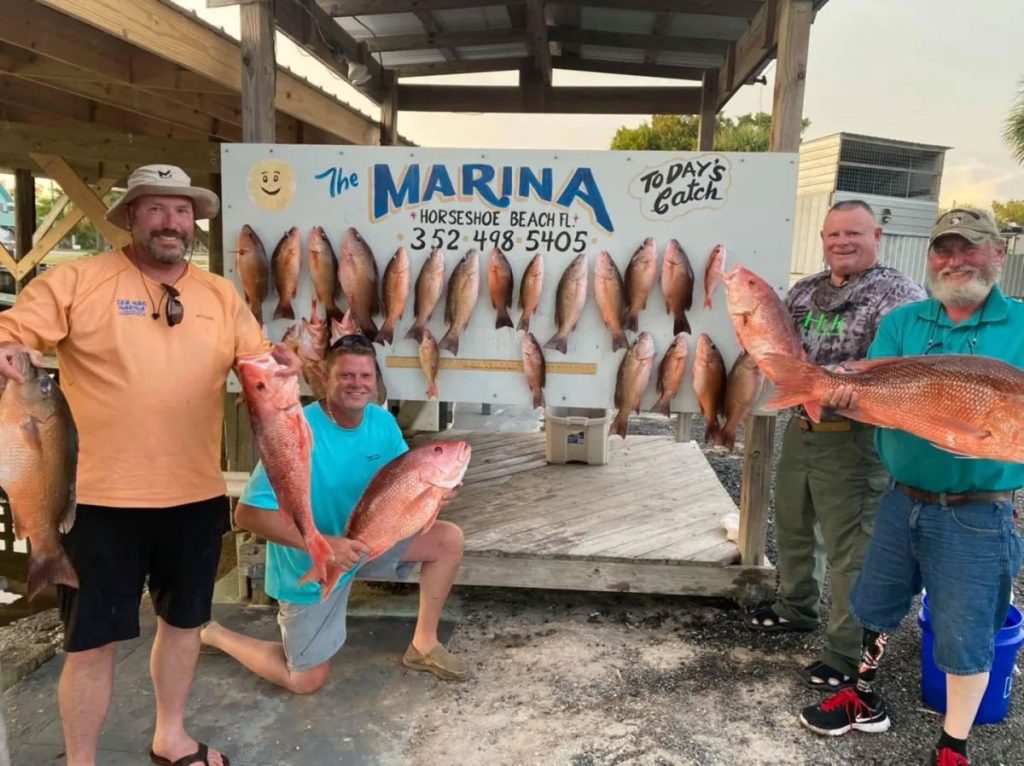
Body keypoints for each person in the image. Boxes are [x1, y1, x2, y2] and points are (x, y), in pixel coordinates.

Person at [0, 165, 299, 766]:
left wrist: (282, 361)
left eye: (182, 211)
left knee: (185, 625)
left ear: (195, 222)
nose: (172, 222)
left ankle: (172, 736)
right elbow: (15, 331)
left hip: (193, 493)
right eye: (157, 209)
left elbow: (257, 359)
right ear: (131, 216)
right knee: (92, 643)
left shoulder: (220, 293)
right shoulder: (79, 280)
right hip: (97, 501)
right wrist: (10, 349)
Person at [799, 208, 1024, 765]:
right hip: (901, 498)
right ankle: (863, 697)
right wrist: (843, 392)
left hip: (977, 512)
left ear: (998, 253)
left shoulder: (1019, 326)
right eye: (943, 250)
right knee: (874, 606)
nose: (954, 261)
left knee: (965, 631)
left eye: (969, 248)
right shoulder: (906, 321)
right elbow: (877, 394)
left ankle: (954, 745)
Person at [200, 334, 471, 692]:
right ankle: (215, 634)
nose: (357, 384)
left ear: (376, 382)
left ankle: (424, 645)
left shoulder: (382, 422)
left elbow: (399, 487)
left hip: (364, 543)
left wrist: (432, 498)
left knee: (447, 539)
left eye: (365, 376)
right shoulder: (296, 428)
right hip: (309, 560)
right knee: (306, 681)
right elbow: (246, 516)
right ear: (325, 379)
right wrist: (326, 546)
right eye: (346, 376)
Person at [747, 200, 926, 692]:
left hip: (856, 438)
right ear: (822, 240)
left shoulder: (899, 293)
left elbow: (901, 368)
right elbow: (775, 343)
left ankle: (846, 653)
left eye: (854, 233)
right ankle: (796, 607)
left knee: (852, 549)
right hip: (801, 431)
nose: (842, 242)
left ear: (877, 238)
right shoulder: (804, 291)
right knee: (793, 527)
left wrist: (849, 385)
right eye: (833, 235)